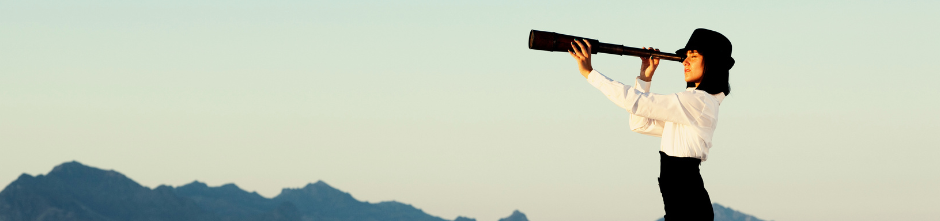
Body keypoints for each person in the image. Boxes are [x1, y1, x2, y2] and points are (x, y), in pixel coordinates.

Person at [567, 28, 734, 221]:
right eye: (685, 57)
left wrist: (590, 73)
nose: (685, 62)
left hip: (689, 210)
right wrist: (645, 78)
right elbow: (639, 123)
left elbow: (636, 102)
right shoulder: (694, 105)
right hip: (681, 208)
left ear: (713, 62)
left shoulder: (700, 102)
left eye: (693, 56)